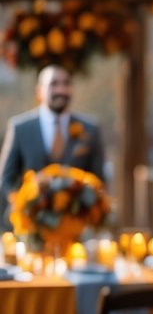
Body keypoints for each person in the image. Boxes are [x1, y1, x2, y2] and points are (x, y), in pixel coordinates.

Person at [0, 64, 105, 224]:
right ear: (39, 90)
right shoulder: (20, 128)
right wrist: (23, 204)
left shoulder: (91, 129)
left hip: (76, 225)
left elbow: (98, 180)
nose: (60, 90)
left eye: (66, 84)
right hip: (30, 224)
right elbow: (6, 179)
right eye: (54, 84)